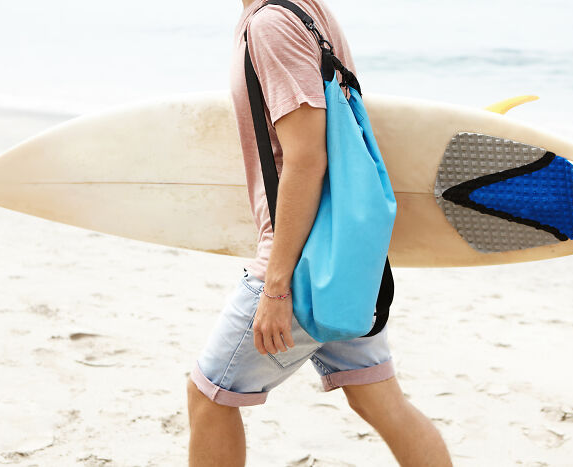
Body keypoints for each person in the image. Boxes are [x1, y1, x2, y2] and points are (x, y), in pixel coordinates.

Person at [186, 0, 453, 465]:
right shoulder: (306, 9)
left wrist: (274, 286)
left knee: (209, 396)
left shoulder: (271, 24)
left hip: (303, 262)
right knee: (379, 400)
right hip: (347, 257)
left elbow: (307, 156)